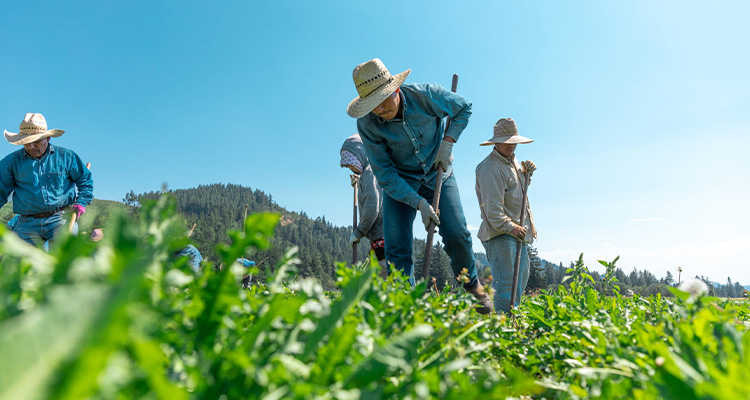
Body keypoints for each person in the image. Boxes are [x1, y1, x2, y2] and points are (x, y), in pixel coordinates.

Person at [347, 58, 491, 313]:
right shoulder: (368, 125)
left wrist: (447, 143)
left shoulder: (425, 96)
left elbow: (463, 109)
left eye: (383, 99)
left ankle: (471, 286)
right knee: (396, 246)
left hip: (439, 173)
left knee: (457, 233)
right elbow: (385, 175)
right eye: (372, 105)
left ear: (396, 89)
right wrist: (420, 204)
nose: (379, 109)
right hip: (400, 182)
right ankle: (406, 306)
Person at [0, 113, 93, 246]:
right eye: (26, 142)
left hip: (60, 218)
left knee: (63, 256)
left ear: (47, 138)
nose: (31, 147)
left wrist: (81, 202)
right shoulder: (11, 162)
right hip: (27, 222)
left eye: (36, 141)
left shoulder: (66, 156)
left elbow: (85, 180)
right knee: (13, 260)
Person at [475, 118, 537, 314]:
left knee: (518, 284)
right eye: (507, 141)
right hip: (501, 234)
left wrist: (527, 174)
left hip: (517, 233)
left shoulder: (513, 162)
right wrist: (512, 227)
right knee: (507, 288)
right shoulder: (490, 169)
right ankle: (502, 331)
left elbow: (517, 192)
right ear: (495, 142)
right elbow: (493, 211)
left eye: (514, 141)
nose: (512, 145)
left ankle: (512, 325)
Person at [340, 133, 387, 268]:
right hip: (381, 236)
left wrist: (359, 231)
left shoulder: (370, 172)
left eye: (352, 163)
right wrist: (359, 182)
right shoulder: (371, 170)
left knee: (385, 276)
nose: (351, 168)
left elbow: (372, 206)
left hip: (384, 236)